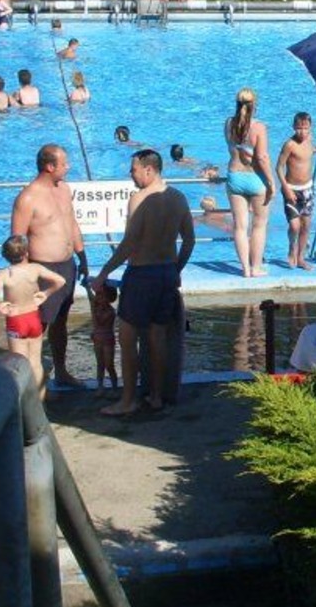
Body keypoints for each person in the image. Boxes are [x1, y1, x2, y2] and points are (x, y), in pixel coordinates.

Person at [91, 148, 195, 415]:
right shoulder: (179, 197)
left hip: (141, 275)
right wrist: (176, 269)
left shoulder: (139, 199)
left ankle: (128, 400)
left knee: (127, 338)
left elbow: (129, 243)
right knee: (157, 337)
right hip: (167, 273)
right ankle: (156, 396)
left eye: (134, 170)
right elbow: (189, 241)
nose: (131, 174)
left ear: (149, 170)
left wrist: (103, 273)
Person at [11, 144, 91, 388]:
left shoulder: (64, 189)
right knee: (37, 326)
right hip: (42, 269)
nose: (68, 167)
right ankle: (31, 381)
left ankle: (61, 371)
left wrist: (82, 256)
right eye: (64, 163)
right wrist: (25, 275)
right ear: (49, 166)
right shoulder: (28, 198)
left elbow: (71, 223)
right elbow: (17, 240)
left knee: (60, 322)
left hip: (67, 265)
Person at [0, 235, 68, 403]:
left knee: (19, 365)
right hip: (33, 318)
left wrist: (0, 306)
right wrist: (45, 294)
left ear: (5, 255)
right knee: (35, 363)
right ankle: (40, 401)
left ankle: (23, 404)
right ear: (26, 253)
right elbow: (60, 281)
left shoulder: (3, 274)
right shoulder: (35, 268)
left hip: (16, 320)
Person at [223, 88, 274, 278]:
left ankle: (245, 269)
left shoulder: (228, 124)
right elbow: (261, 158)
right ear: (255, 105)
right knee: (259, 225)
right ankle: (255, 267)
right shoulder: (259, 127)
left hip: (235, 176)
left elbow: (232, 148)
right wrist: (271, 182)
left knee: (240, 227)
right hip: (256, 178)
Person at [276, 112, 316, 270]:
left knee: (306, 225)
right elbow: (279, 167)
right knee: (295, 226)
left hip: (307, 189)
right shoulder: (289, 144)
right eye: (299, 128)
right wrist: (286, 188)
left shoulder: (309, 140)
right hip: (292, 190)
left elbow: (307, 152)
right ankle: (291, 248)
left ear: (310, 128)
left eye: (305, 128)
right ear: (293, 127)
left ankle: (301, 258)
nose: (302, 132)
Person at [89, 283, 119, 391]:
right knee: (100, 364)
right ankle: (100, 386)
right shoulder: (97, 308)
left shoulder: (111, 311)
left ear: (109, 298)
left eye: (101, 295)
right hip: (97, 339)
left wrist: (93, 311)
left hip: (107, 340)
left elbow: (99, 322)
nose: (97, 297)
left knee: (109, 365)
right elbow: (91, 298)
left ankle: (115, 388)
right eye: (97, 294)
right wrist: (87, 288)